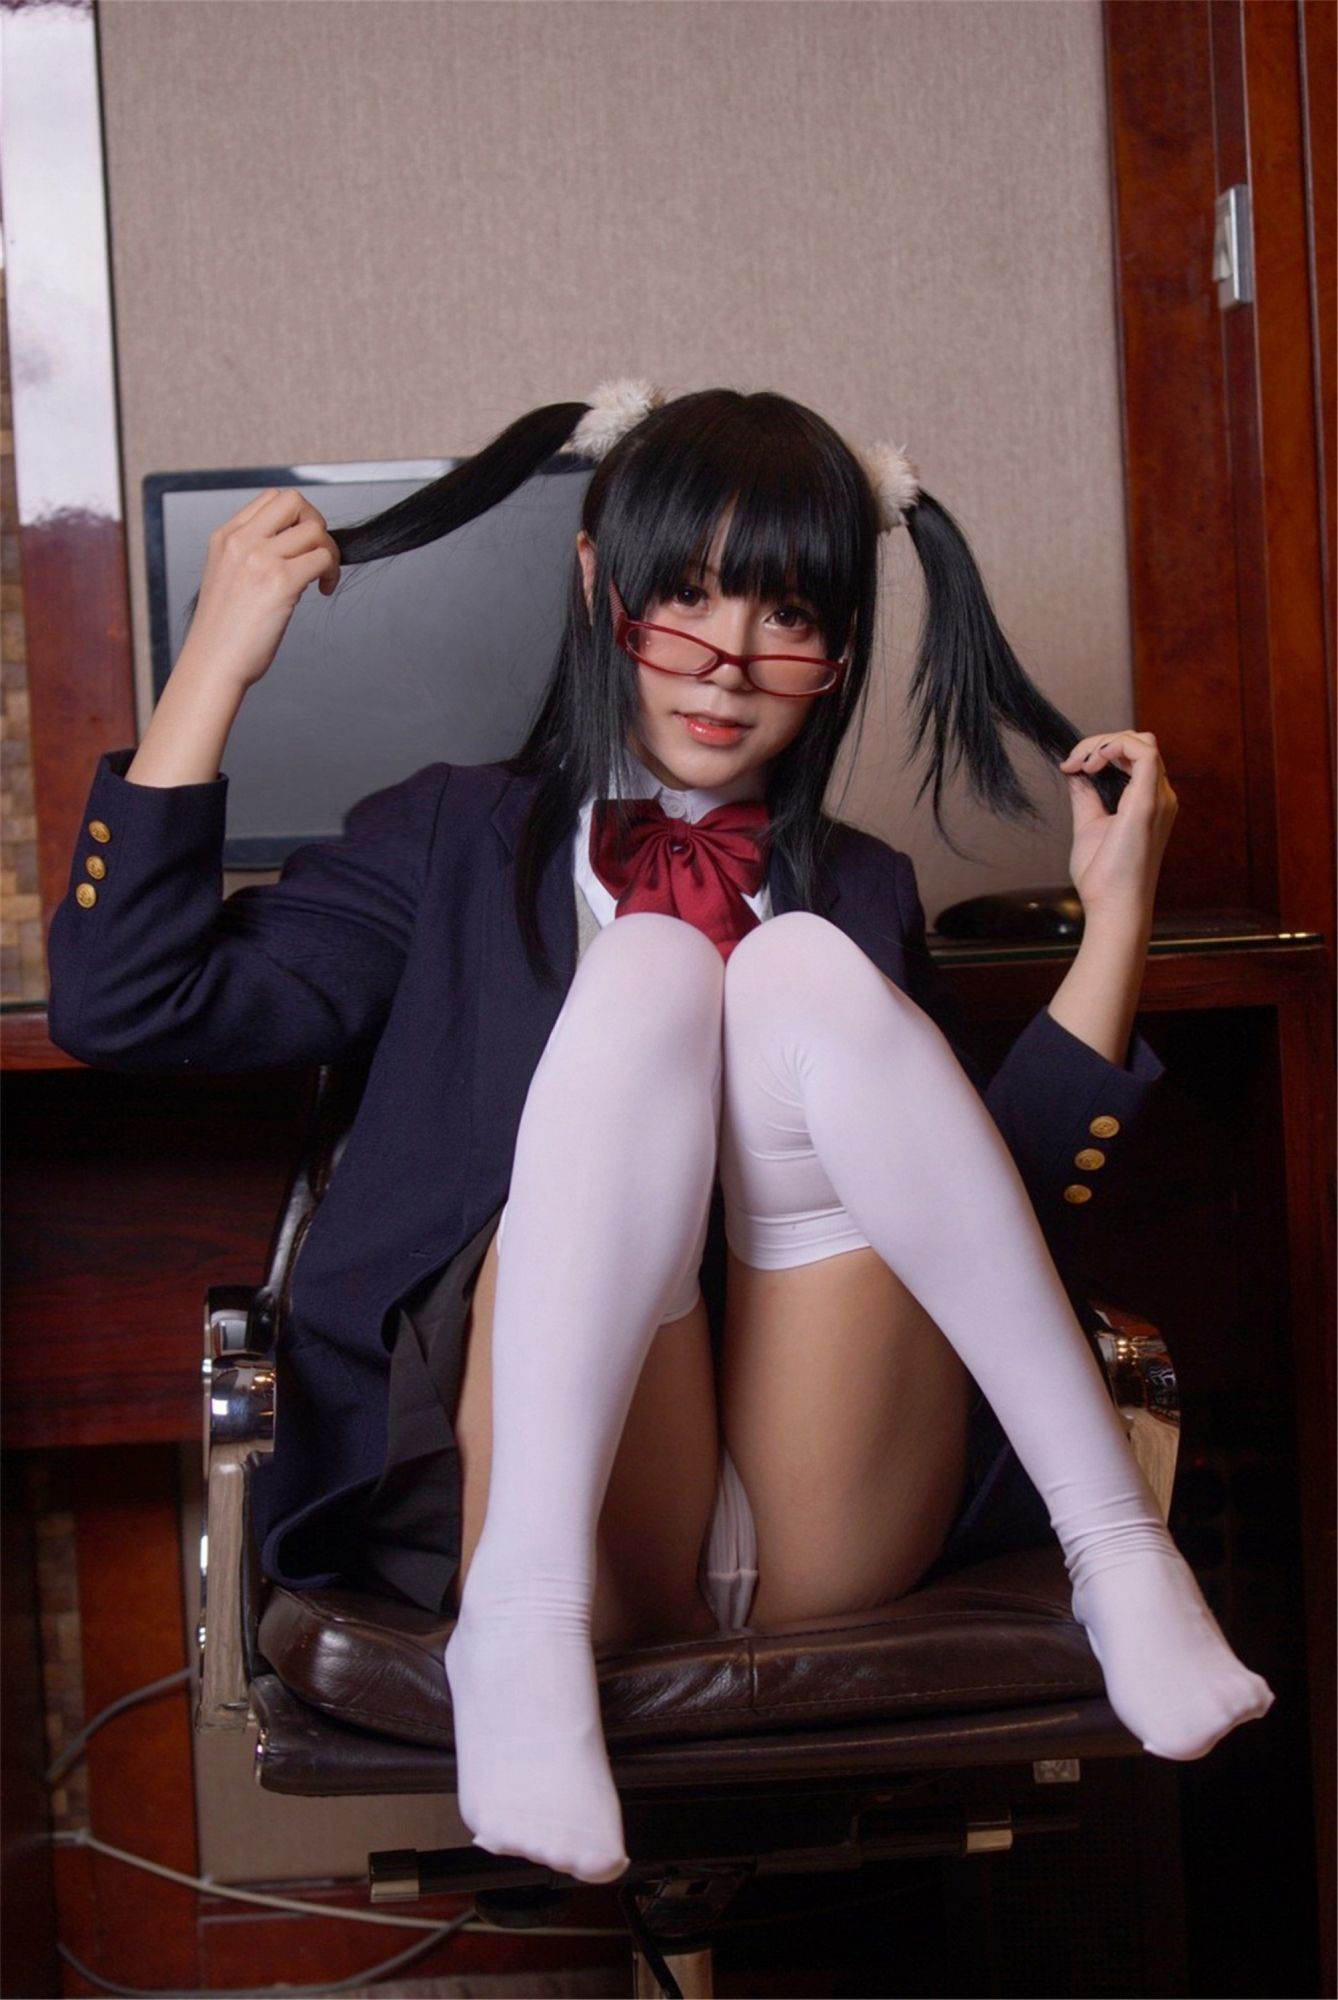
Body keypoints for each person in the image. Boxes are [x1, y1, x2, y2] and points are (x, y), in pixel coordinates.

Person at [46, 380, 1274, 1889]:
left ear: (840, 650)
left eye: (787, 615)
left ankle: (1118, 1550)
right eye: (683, 596)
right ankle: (523, 1620)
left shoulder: (858, 890)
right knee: (648, 965)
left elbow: (986, 1218)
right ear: (595, 581)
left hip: (827, 1498)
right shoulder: (447, 842)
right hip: (548, 1493)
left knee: (795, 964)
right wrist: (215, 669)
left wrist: (1117, 916)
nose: (726, 663)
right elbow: (128, 1003)